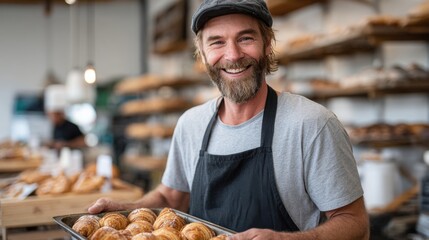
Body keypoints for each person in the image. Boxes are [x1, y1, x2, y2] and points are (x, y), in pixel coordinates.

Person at [89, 0, 369, 239]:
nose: (233, 55)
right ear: (202, 54)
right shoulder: (191, 124)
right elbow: (170, 198)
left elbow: (356, 223)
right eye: (217, 42)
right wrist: (127, 209)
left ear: (268, 44)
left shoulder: (312, 125)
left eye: (246, 38)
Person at [44, 84, 86, 150]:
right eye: (51, 115)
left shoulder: (72, 127)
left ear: (61, 114)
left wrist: (66, 144)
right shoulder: (55, 127)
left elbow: (83, 142)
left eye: (55, 114)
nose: (53, 118)